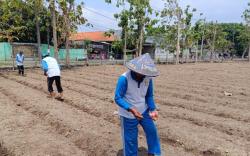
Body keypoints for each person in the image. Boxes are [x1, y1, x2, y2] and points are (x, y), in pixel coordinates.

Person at [114, 53, 161, 156]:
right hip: (128, 114)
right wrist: (131, 109)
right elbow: (117, 97)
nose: (143, 75)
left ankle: (154, 153)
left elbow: (149, 96)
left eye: (145, 73)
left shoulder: (148, 78)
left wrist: (153, 109)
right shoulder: (124, 79)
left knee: (152, 132)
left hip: (144, 110)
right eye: (141, 72)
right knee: (130, 140)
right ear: (135, 70)